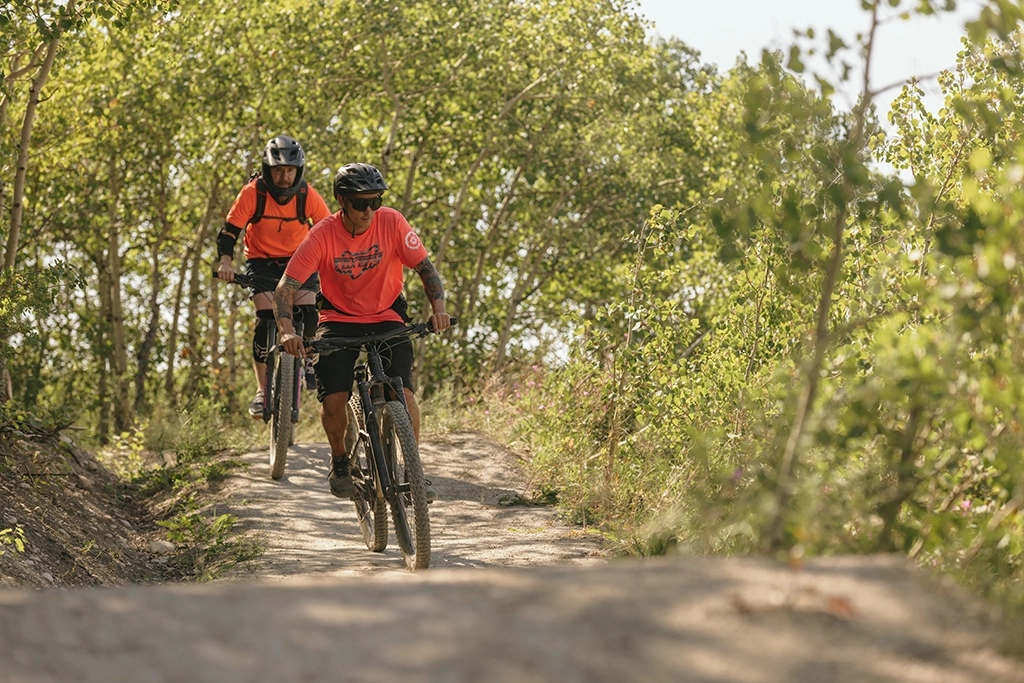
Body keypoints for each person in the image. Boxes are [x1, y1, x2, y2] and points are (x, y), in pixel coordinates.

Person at [272, 162, 451, 499]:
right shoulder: (322, 234)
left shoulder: (393, 222)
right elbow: (284, 290)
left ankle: (412, 469)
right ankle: (341, 460)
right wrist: (286, 331)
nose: (369, 211)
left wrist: (438, 310)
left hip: (387, 315)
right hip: (338, 319)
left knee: (404, 393)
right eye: (360, 203)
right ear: (342, 201)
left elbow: (426, 269)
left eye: (375, 201)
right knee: (335, 398)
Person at [216, 135, 332, 417]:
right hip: (262, 262)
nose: (284, 176)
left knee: (307, 311)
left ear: (298, 170)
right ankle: (261, 389)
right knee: (265, 318)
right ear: (268, 170)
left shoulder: (307, 195)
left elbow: (330, 230)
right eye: (278, 170)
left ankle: (309, 362)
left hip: (299, 261)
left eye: (290, 170)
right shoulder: (252, 193)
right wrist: (226, 263)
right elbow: (229, 232)